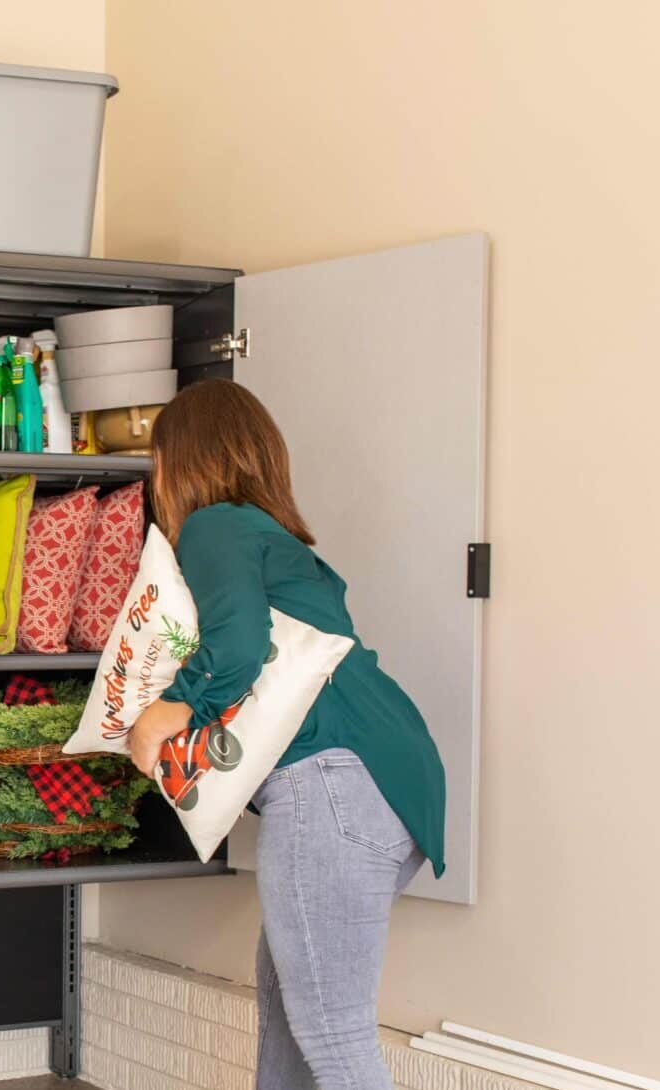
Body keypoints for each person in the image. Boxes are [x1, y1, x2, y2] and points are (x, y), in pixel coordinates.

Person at [124, 379, 447, 1090]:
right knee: (291, 1015)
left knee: (332, 1034)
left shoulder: (214, 526)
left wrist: (166, 711)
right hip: (392, 781)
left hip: (333, 786)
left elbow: (238, 646)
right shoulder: (276, 539)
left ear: (181, 461)